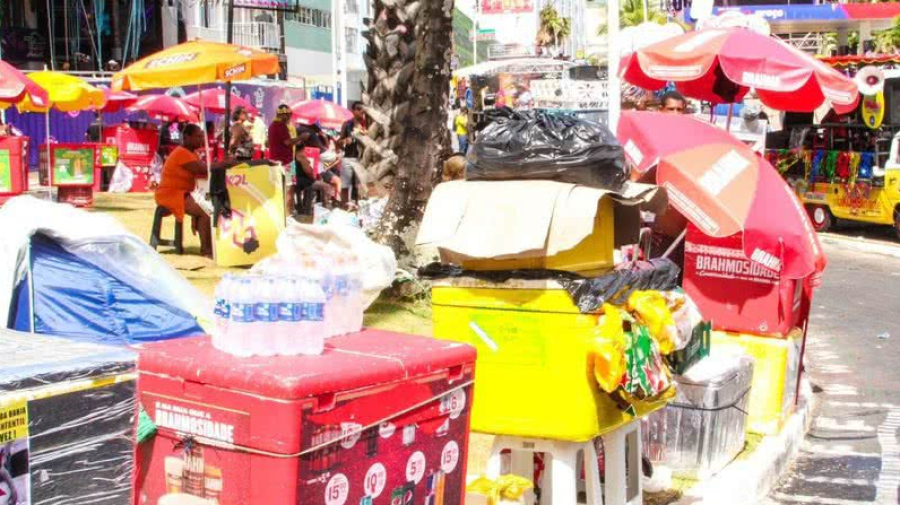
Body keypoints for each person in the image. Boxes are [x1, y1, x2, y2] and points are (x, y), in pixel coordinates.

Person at [155, 124, 236, 258]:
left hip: (183, 193)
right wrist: (225, 164)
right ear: (187, 137)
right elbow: (201, 169)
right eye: (198, 136)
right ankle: (206, 251)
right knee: (205, 210)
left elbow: (203, 171)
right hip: (171, 195)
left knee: (205, 207)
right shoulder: (181, 153)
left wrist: (221, 165)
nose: (201, 139)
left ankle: (209, 248)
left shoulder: (190, 153)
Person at [339, 101, 367, 206]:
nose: (361, 111)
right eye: (359, 109)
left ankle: (361, 206)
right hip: (348, 157)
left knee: (360, 185)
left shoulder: (367, 124)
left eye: (363, 109)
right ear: (353, 111)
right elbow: (339, 142)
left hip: (363, 159)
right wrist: (345, 140)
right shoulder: (347, 124)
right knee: (345, 185)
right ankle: (344, 206)